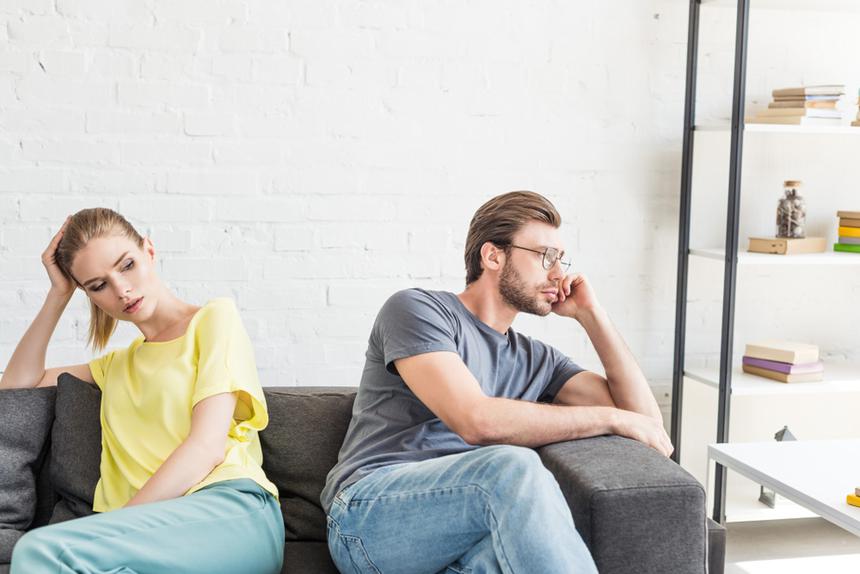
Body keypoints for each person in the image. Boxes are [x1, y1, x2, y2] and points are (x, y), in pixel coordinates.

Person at [321, 190, 673, 573]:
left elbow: (648, 426)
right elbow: (476, 420)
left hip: (465, 534)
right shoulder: (419, 311)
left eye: (562, 259)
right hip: (368, 516)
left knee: (510, 559)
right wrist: (611, 418)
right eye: (546, 256)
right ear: (493, 256)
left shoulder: (537, 360)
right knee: (512, 467)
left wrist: (592, 314)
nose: (559, 273)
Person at [1, 208, 284, 573]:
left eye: (127, 265)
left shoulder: (214, 320)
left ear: (149, 251)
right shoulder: (114, 366)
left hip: (227, 511)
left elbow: (206, 447)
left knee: (38, 551)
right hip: (142, 541)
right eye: (98, 286)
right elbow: (16, 385)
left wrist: (113, 529)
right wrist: (59, 294)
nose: (121, 289)